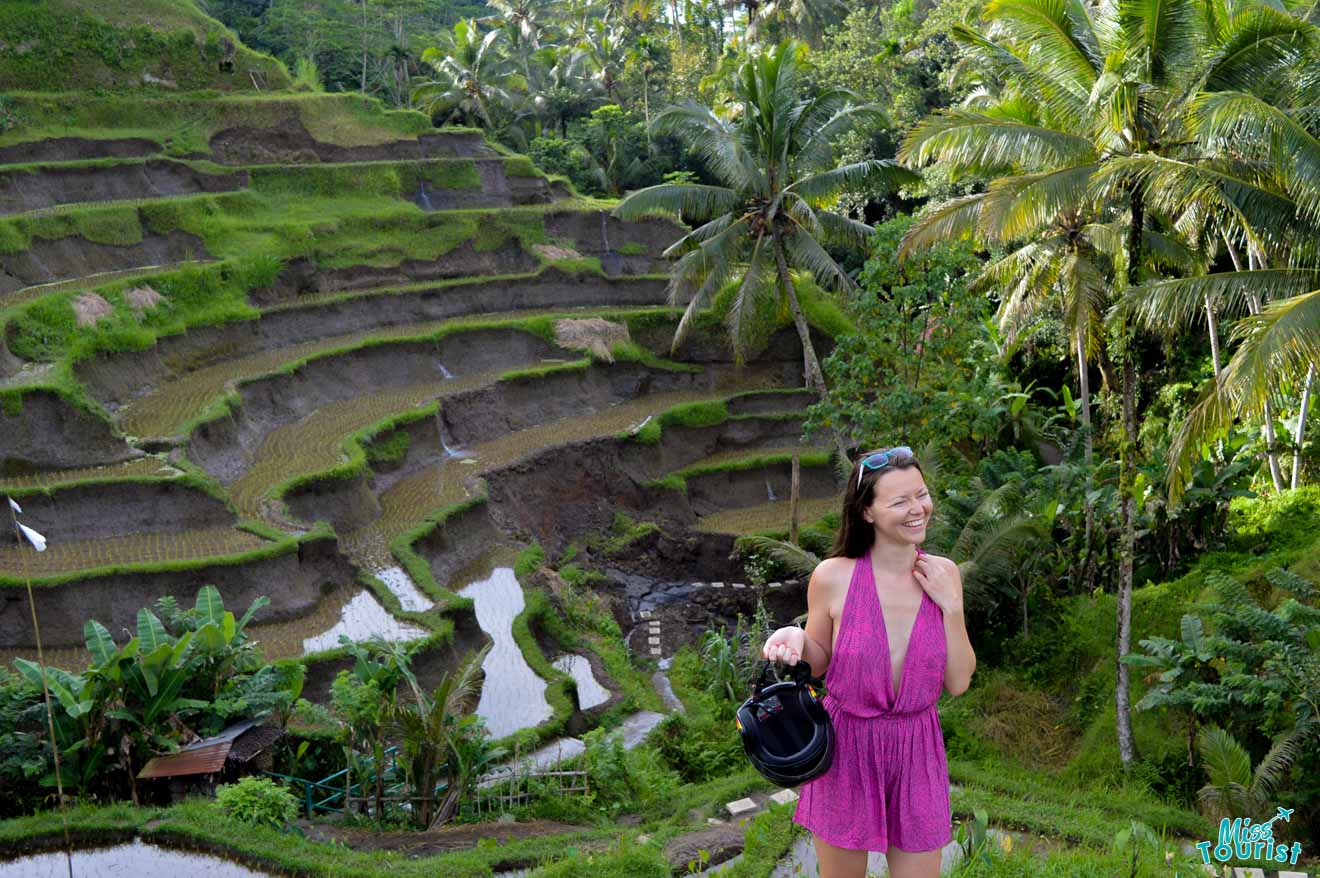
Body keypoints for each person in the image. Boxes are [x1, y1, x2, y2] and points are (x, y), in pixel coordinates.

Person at [761, 447, 976, 878]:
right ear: (867, 513)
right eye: (900, 501)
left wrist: (951, 607)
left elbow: (958, 682)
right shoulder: (832, 575)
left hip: (917, 748)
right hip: (847, 747)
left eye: (922, 494)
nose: (918, 509)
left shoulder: (944, 574)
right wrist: (798, 639)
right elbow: (820, 663)